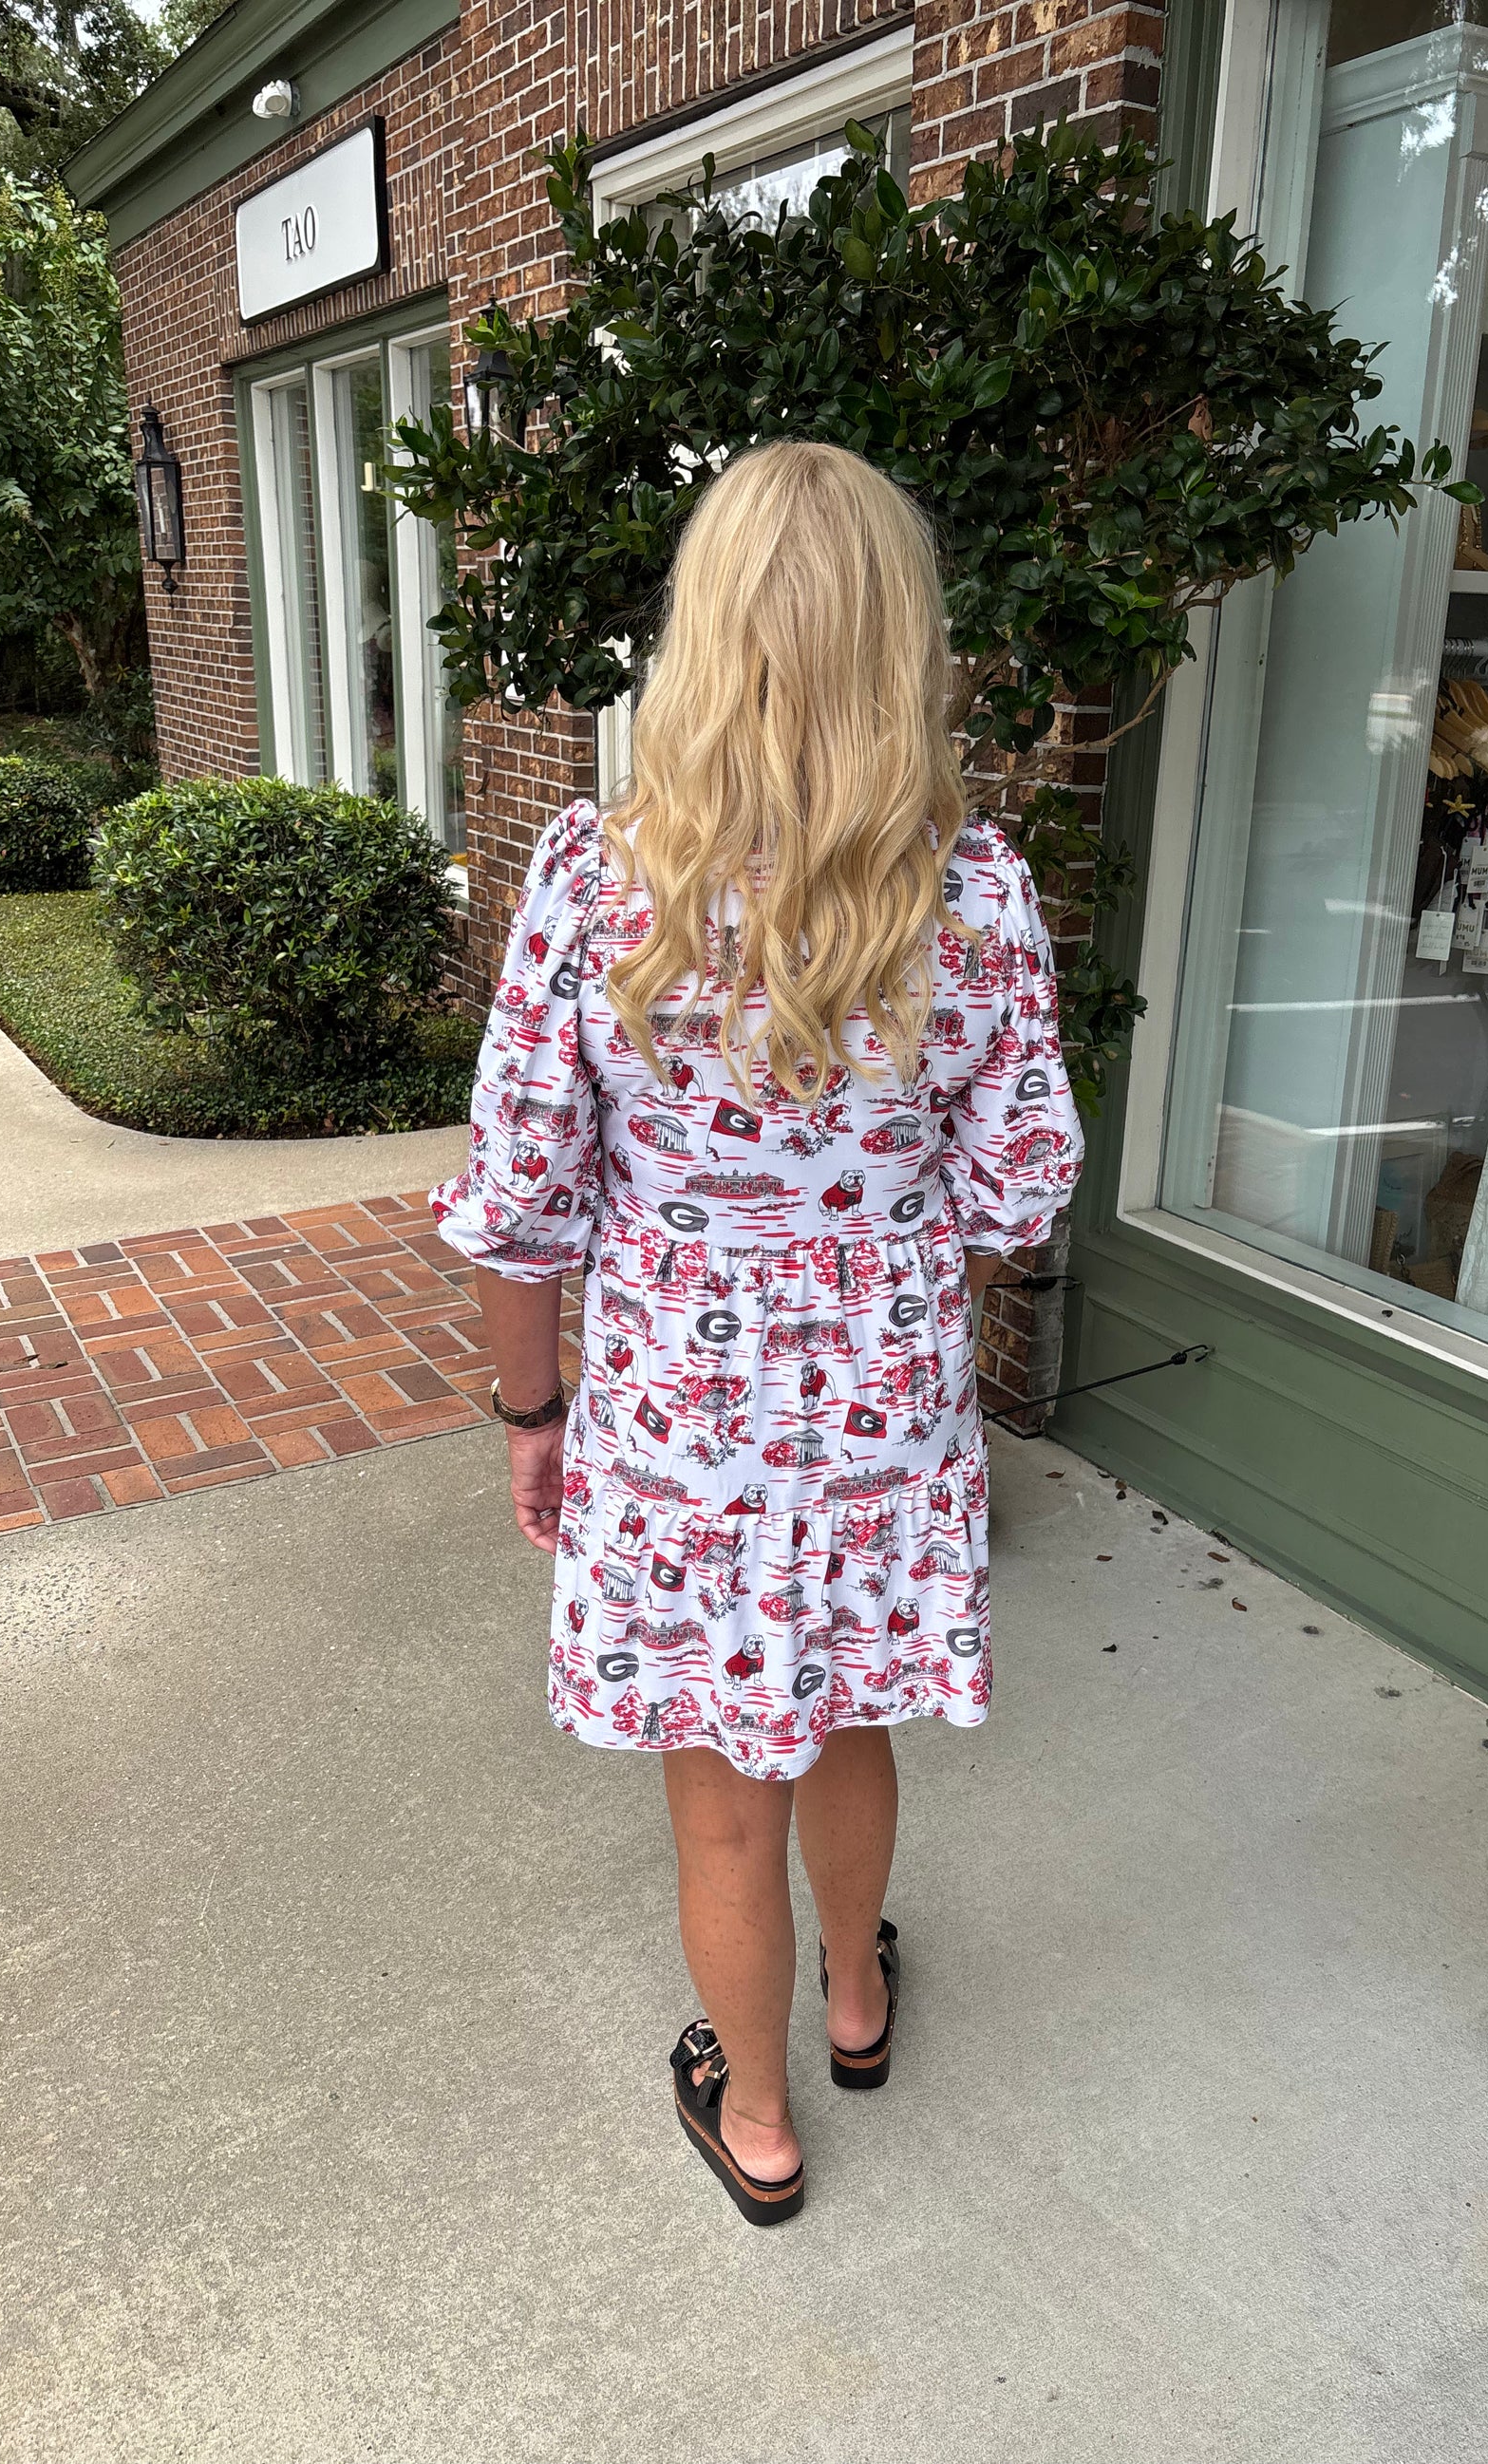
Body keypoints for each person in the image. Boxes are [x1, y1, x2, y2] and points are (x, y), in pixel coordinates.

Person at [431, 440, 1083, 2225]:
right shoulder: (975, 892)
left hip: (674, 1419)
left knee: (725, 1781)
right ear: (902, 641)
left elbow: (514, 1202)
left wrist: (529, 1411)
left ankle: (766, 2120)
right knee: (848, 1705)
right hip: (882, 1409)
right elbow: (1025, 1196)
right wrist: (878, 1238)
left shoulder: (591, 881)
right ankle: (857, 1997)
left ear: (698, 634)